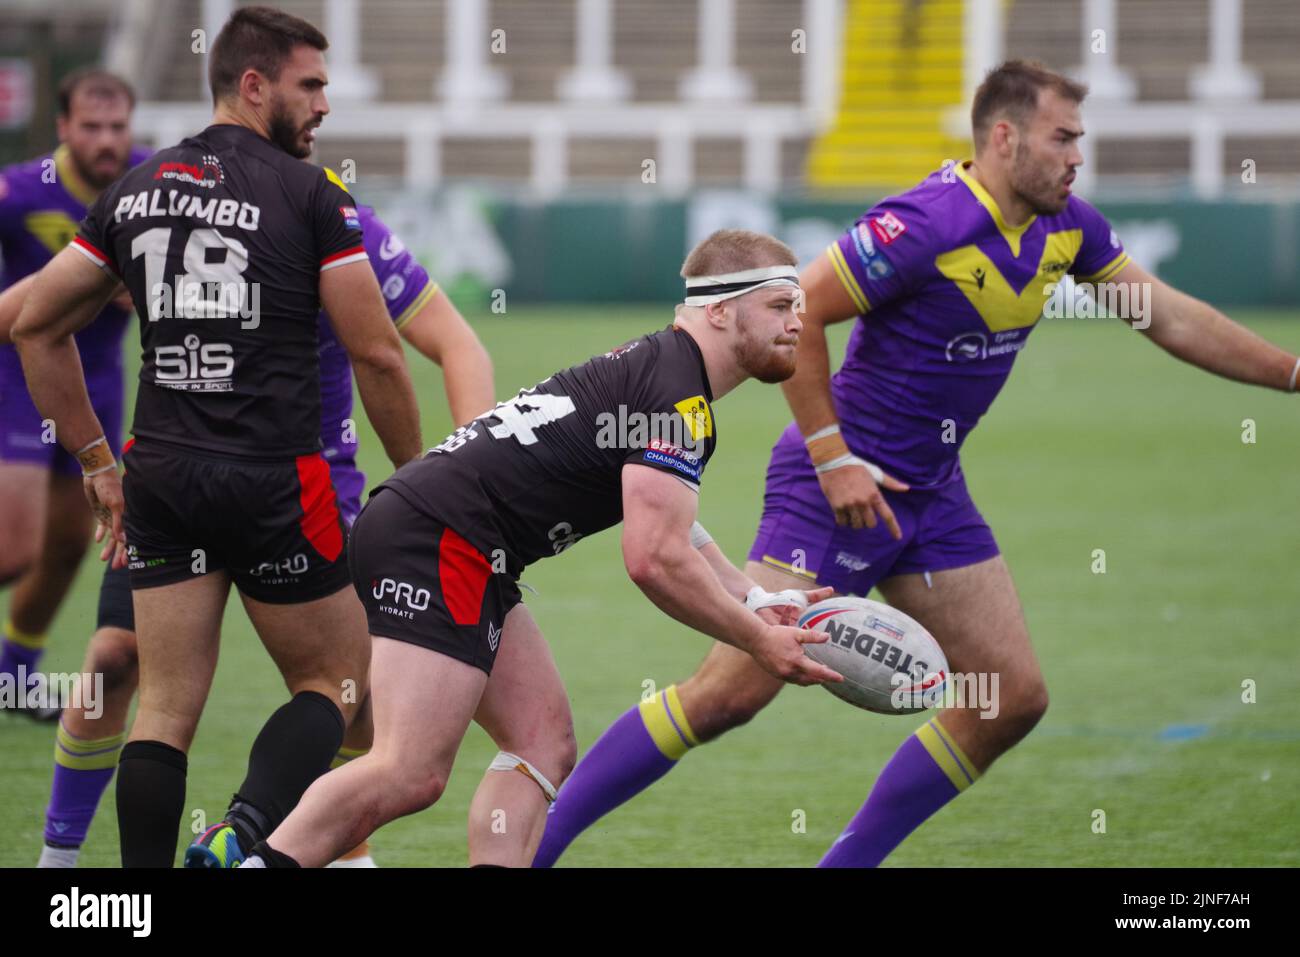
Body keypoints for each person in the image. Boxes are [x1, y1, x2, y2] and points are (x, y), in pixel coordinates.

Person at [533, 59, 1300, 868]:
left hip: (928, 491)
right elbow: (807, 306)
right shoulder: (928, 222)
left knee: (1006, 696)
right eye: (1063, 137)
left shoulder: (1068, 226)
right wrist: (834, 458)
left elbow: (1169, 316)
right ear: (1004, 138)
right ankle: (533, 850)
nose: (1078, 156)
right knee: (730, 692)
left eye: (1081, 138)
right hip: (833, 487)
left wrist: (1291, 373)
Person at [241, 228, 841, 868]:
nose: (799, 323)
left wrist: (754, 597)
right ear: (719, 310)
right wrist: (756, 641)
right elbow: (652, 559)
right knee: (409, 771)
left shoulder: (668, 375)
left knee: (541, 744)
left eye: (800, 308)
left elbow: (674, 526)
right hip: (440, 538)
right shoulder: (676, 397)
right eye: (780, 306)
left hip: (455, 538)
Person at [12, 5, 422, 867]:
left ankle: (132, 906)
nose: (322, 106)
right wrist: (420, 479)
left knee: (161, 709)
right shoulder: (313, 195)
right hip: (277, 479)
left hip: (158, 474)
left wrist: (95, 459)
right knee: (339, 684)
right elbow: (379, 354)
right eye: (310, 85)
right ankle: (240, 831)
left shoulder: (136, 188)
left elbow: (34, 324)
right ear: (253, 84)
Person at [0, 191, 494, 867]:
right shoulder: (166, 204)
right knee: (114, 659)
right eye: (309, 86)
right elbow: (24, 316)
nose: (318, 107)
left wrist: (466, 474)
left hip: (306, 489)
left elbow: (457, 345)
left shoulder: (327, 214)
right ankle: (61, 864)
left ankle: (325, 850)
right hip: (175, 481)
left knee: (354, 695)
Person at [0, 69, 148, 720]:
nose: (106, 140)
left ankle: (14, 672)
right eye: (91, 127)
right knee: (15, 548)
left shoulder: (152, 184)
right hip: (20, 381)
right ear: (63, 128)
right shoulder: (21, 189)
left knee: (66, 547)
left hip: (101, 389)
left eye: (117, 127)